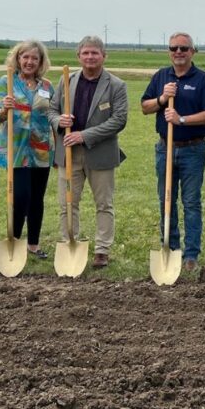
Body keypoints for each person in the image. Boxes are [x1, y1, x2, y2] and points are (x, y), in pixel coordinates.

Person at [141, 33, 205, 272]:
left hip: (192, 149)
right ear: (169, 51)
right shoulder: (160, 77)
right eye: (174, 48)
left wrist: (181, 119)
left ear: (192, 51)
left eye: (184, 48)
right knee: (166, 199)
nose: (178, 52)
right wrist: (163, 98)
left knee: (191, 202)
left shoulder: (204, 79)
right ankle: (170, 247)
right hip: (165, 148)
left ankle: (191, 255)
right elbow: (145, 107)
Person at [48, 36, 128, 269]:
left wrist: (85, 135)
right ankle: (69, 241)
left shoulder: (116, 85)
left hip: (100, 153)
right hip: (69, 153)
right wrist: (59, 121)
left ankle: (102, 250)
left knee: (104, 203)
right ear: (78, 56)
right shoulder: (67, 80)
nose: (90, 57)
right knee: (67, 203)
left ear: (104, 56)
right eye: (86, 53)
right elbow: (52, 110)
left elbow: (119, 120)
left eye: (95, 53)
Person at [0, 40, 55, 260]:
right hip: (17, 148)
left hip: (42, 149)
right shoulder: (7, 81)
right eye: (25, 57)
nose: (29, 62)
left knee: (37, 199)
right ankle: (15, 242)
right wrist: (3, 109)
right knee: (20, 196)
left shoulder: (47, 86)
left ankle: (34, 245)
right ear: (18, 59)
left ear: (40, 62)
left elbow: (52, 116)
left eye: (34, 58)